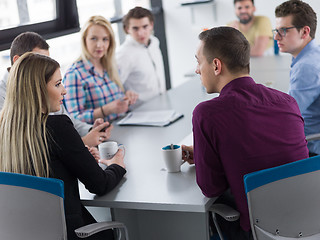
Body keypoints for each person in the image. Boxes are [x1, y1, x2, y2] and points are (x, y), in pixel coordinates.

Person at [182, 27, 308, 239]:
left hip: (258, 230)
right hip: (307, 221)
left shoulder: (206, 113)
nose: (196, 70)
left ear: (216, 65)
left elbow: (211, 188)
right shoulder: (288, 101)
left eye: (198, 61)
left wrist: (207, 158)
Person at [0, 52, 126, 240]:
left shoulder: (6, 131)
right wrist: (117, 165)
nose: (64, 91)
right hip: (70, 234)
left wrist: (81, 159)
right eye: (58, 84)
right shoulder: (58, 127)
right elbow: (100, 184)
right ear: (38, 90)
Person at [0, 32, 111, 147]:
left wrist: (92, 130)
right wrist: (82, 144)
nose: (46, 68)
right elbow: (26, 145)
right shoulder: (2, 97)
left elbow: (67, 121)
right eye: (39, 61)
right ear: (17, 60)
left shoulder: (48, 86)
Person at [63, 16, 138, 124]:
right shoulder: (74, 74)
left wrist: (127, 98)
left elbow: (117, 99)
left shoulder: (113, 67)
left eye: (105, 39)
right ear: (84, 40)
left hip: (124, 124)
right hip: (101, 135)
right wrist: (106, 110)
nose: (100, 45)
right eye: (94, 38)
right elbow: (75, 119)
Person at [274, 0, 320, 156]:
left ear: (305, 32)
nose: (276, 37)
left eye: (283, 30)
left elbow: (286, 118)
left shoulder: (306, 66)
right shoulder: (314, 54)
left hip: (311, 148)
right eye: (276, 30)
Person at [116, 7, 166, 101]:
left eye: (145, 26)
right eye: (135, 28)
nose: (141, 33)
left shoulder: (154, 42)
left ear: (151, 25)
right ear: (127, 29)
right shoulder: (123, 54)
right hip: (140, 110)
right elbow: (114, 86)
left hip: (161, 102)